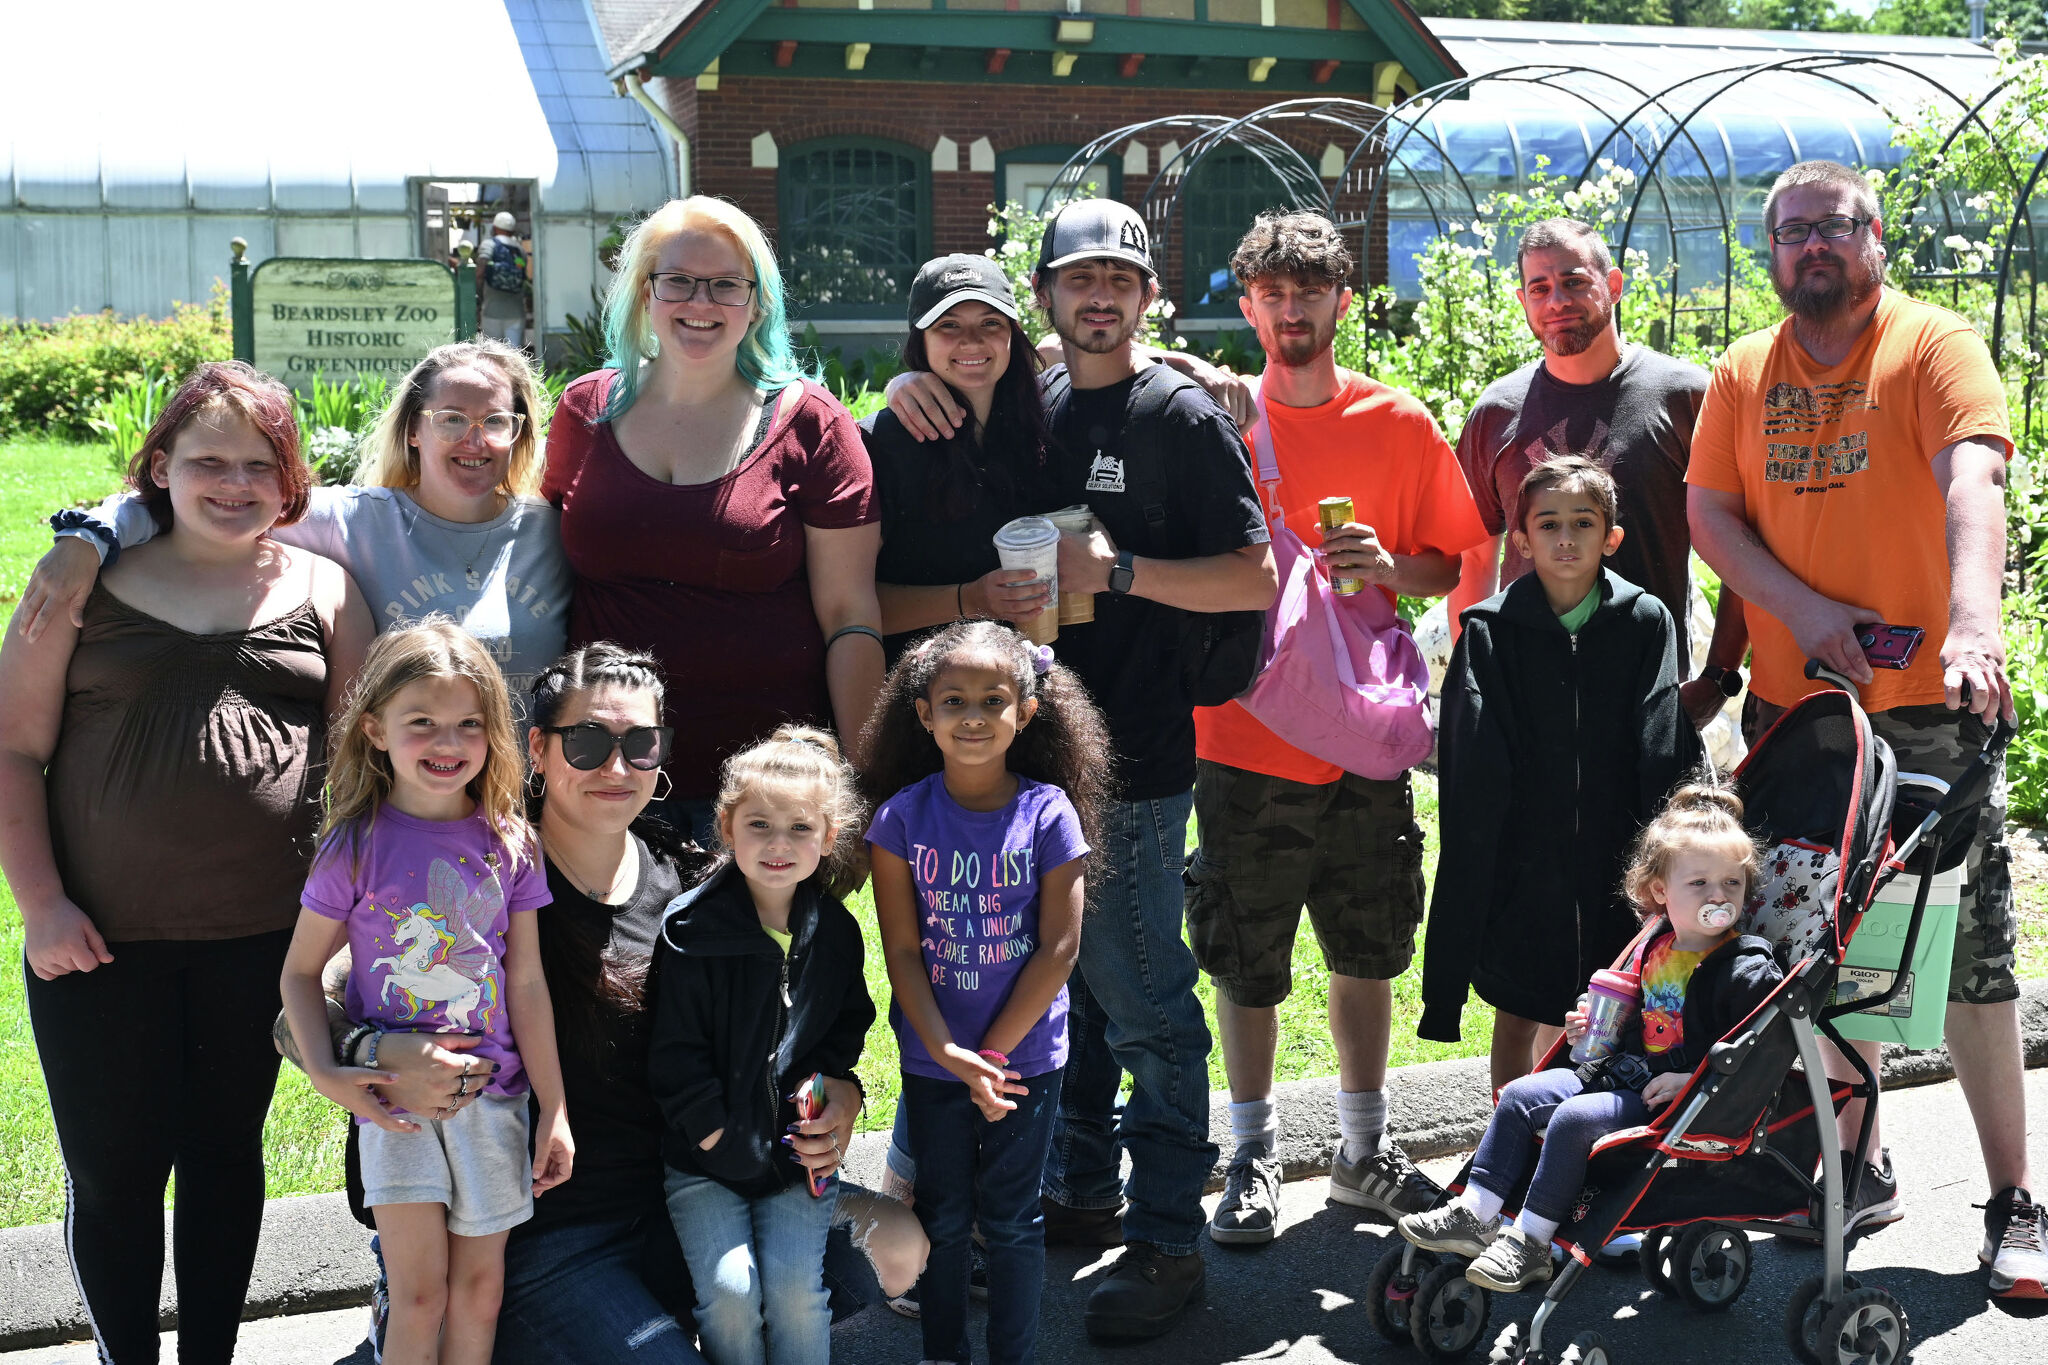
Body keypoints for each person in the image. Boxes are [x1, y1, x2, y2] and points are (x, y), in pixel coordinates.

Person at [274, 644, 921, 1362]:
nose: (616, 767)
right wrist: (373, 1052)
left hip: (691, 1193)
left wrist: (843, 1091)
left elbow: (806, 1022)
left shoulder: (698, 887)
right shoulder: (485, 866)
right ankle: (438, 1314)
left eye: (640, 744)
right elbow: (305, 1002)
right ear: (539, 750)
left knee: (896, 1244)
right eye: (587, 742)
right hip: (549, 1230)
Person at [906, 197, 1275, 1342]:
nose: (1100, 297)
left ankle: (1168, 1242)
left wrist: (1117, 576)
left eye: (1120, 279)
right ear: (1048, 300)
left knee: (1143, 996)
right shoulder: (1035, 404)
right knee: (1069, 991)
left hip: (1139, 759)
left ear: (1147, 297)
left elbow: (1254, 578)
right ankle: (1080, 1190)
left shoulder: (1178, 415)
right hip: (1030, 751)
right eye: (1078, 281)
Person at [1686, 159, 2043, 1296]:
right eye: (1788, 234)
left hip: (1926, 713)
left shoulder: (1931, 348)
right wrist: (1800, 613)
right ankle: (1855, 1163)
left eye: (1829, 229)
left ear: (1872, 238)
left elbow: (1971, 483)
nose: (1808, 250)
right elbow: (1708, 512)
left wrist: (1972, 628)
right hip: (1798, 719)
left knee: (1965, 966)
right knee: (1812, 953)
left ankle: (2012, 1202)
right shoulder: (1744, 371)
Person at [0, 361, 373, 1364]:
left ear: (289, 480)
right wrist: (40, 905)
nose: (235, 483)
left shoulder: (325, 590)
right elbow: (13, 750)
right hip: (97, 942)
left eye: (261, 464)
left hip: (261, 943)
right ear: (158, 467)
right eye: (208, 460)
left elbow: (361, 778)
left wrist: (341, 932)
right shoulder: (79, 587)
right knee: (115, 1174)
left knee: (223, 1159)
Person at [1181, 210, 1488, 1250]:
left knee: (1367, 948)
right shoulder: (1215, 417)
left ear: (1341, 302)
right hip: (1240, 734)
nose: (1289, 308)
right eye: (1270, 292)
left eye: (1308, 291)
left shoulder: (1396, 424)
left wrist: (1386, 570)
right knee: (1244, 960)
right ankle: (1251, 1155)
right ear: (1246, 303)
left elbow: (1448, 565)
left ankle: (1362, 1149)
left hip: (1361, 738)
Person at [544, 196, 884, 841]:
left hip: (762, 790)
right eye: (678, 281)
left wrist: (862, 778)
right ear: (645, 293)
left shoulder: (810, 422)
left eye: (727, 285)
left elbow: (850, 614)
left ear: (758, 303)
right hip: (604, 772)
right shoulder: (585, 409)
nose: (701, 303)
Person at [280, 619, 570, 1365]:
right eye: (422, 723)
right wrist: (329, 1075)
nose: (447, 742)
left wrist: (554, 1109)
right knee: (418, 1296)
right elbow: (300, 973)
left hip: (495, 1100)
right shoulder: (354, 843)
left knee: (478, 1293)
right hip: (395, 1106)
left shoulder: (512, 842)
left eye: (468, 723)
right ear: (375, 728)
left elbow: (527, 982)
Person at [22, 338, 571, 730]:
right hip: (409, 814)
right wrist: (88, 539)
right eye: (451, 418)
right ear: (413, 431)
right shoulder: (351, 520)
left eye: (495, 421)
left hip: (539, 809)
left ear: (518, 433)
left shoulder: (554, 532)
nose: (474, 439)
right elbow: (191, 503)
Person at [1398, 782, 1783, 1293]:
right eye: (1700, 883)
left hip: (1672, 1099)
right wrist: (1588, 1028)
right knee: (1518, 1095)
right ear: (1660, 892)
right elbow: (1633, 1024)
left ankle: (1532, 1241)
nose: (1719, 896)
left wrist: (1693, 1079)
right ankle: (1476, 1212)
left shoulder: (1746, 968)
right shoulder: (1655, 944)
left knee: (1574, 1119)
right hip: (1616, 1072)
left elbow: (1760, 1049)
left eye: (1732, 883)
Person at [864, 621, 1110, 1365]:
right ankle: (944, 1352)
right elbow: (902, 950)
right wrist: (947, 1049)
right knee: (941, 1216)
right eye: (954, 700)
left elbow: (1058, 949)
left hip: (1024, 1060)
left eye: (993, 699)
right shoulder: (900, 818)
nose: (972, 716)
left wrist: (992, 1055)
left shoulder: (1049, 814)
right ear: (923, 713)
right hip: (935, 1059)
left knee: (1010, 1220)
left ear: (1026, 712)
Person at [1420, 456, 1700, 1092]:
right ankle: (1504, 1142)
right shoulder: (1489, 633)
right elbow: (1473, 764)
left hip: (1616, 851)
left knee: (1614, 1002)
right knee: (1518, 1010)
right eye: (1548, 525)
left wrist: (1661, 853)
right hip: (1524, 856)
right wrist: (1488, 856)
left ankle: (1583, 1139)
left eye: (1583, 522)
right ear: (1521, 539)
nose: (1566, 538)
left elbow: (1660, 736)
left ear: (1612, 537)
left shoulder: (1644, 621)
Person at [1447, 217, 1750, 735]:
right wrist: (1476, 677)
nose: (1557, 300)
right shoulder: (1496, 412)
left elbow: (1741, 541)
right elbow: (1474, 556)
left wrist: (1718, 677)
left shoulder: (1686, 397)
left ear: (1613, 285)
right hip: (1526, 698)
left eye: (1574, 281)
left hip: (1650, 694)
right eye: (1539, 288)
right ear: (1523, 302)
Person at [648, 726, 877, 1365]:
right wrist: (717, 1137)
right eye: (759, 825)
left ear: (830, 837)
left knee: (796, 1294)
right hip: (705, 1159)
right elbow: (674, 1054)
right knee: (730, 1293)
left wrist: (835, 1092)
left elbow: (846, 1025)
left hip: (795, 1154)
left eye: (801, 828)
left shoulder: (832, 929)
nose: (779, 845)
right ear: (726, 827)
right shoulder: (690, 930)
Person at [868, 254, 1063, 661]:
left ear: (1013, 333)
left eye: (990, 323)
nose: (971, 341)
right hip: (923, 699)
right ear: (920, 338)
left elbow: (1097, 350)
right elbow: (846, 607)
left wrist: (1191, 365)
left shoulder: (1046, 419)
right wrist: (969, 599)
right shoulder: (879, 444)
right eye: (948, 325)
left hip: (1025, 694)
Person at [480, 210, 533, 350]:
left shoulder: (488, 245)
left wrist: (478, 297)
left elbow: (480, 271)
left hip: (491, 310)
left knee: (491, 354)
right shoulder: (520, 250)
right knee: (514, 355)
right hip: (516, 312)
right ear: (512, 230)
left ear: (495, 227)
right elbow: (523, 276)